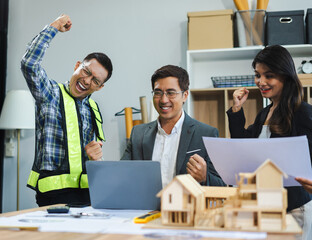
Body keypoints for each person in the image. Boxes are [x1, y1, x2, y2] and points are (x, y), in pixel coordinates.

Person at [21, 14, 113, 207]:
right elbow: (29, 64)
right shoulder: (50, 94)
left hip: (88, 195)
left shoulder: (93, 109)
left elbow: (91, 157)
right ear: (77, 66)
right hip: (54, 196)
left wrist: (97, 157)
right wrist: (53, 27)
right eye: (86, 72)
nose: (87, 80)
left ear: (99, 87)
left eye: (95, 80)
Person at [226, 45, 312, 239]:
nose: (261, 81)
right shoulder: (265, 112)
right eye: (257, 75)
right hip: (267, 205)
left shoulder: (303, 112)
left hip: (294, 208)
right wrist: (237, 110)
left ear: (285, 76)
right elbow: (244, 146)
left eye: (269, 75)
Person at [121, 65, 225, 188]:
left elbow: (222, 185)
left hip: (185, 206)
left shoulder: (206, 134)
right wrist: (98, 160)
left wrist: (204, 177)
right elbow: (122, 174)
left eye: (171, 93)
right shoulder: (138, 134)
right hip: (147, 207)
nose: (164, 100)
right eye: (158, 93)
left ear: (185, 95)